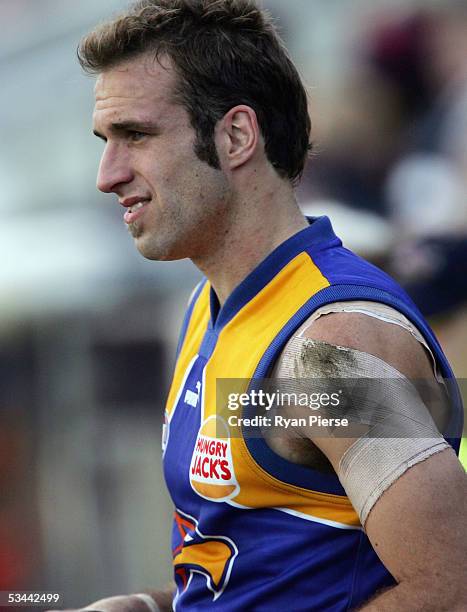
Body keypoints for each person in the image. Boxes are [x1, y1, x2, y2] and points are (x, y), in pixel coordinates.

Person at [51, 1, 466, 610]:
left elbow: (449, 589)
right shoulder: (209, 307)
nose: (107, 174)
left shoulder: (334, 344)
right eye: (106, 141)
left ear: (237, 136)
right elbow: (259, 577)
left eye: (135, 135)